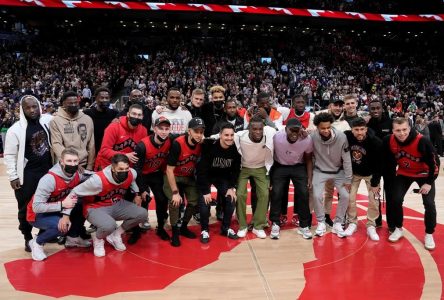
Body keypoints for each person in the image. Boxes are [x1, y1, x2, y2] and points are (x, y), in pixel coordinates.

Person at [67, 154, 147, 257]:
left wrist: (137, 194)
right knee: (109, 225)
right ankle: (98, 239)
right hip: (95, 206)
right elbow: (74, 192)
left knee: (142, 214)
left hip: (116, 203)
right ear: (113, 168)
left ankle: (116, 235)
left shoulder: (131, 173)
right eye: (120, 169)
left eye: (126, 168)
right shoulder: (97, 180)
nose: (124, 171)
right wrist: (66, 215)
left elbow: (132, 181)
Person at [4, 95, 53, 252]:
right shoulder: (14, 130)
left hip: (47, 171)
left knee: (47, 204)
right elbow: (10, 155)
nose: (32, 110)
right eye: (28, 107)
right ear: (22, 109)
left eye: (34, 106)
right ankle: (27, 237)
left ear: (39, 106)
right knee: (25, 207)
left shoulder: (47, 121)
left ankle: (43, 234)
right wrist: (13, 176)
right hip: (27, 174)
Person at [382, 117, 439, 250]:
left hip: (424, 174)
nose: (401, 133)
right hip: (404, 173)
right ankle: (398, 228)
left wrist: (429, 183)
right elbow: (387, 162)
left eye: (404, 130)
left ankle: (429, 234)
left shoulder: (422, 141)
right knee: (395, 199)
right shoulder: (388, 140)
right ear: (392, 130)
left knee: (429, 204)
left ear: (409, 128)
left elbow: (435, 165)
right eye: (398, 130)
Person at [26, 149, 91, 261]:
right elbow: (36, 207)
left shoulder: (77, 174)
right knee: (61, 227)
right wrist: (62, 205)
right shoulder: (49, 179)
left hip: (58, 209)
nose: (73, 164)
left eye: (75, 161)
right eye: (69, 161)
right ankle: (37, 242)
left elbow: (93, 176)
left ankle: (72, 238)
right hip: (36, 214)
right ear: (61, 161)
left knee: (82, 204)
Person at [196, 123, 241, 243]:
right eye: (226, 135)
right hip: (207, 176)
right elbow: (201, 170)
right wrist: (206, 191)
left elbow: (235, 170)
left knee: (231, 199)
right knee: (205, 202)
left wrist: (231, 187)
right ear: (220, 135)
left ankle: (225, 228)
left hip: (222, 178)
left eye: (232, 135)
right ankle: (204, 229)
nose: (229, 138)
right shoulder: (210, 146)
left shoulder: (234, 150)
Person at [269, 118, 313, 240]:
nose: (294, 134)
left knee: (304, 193)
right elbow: (270, 154)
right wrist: (270, 175)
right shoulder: (277, 137)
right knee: (276, 193)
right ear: (285, 129)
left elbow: (308, 158)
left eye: (297, 130)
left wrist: (309, 177)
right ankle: (275, 223)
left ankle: (304, 225)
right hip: (280, 166)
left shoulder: (306, 139)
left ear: (301, 130)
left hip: (298, 166)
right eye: (291, 130)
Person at [164, 117, 204, 247]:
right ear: (189, 131)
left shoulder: (201, 144)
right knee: (175, 201)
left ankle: (184, 227)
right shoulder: (178, 143)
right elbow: (169, 170)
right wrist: (175, 192)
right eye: (196, 131)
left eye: (201, 132)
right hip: (173, 175)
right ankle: (175, 231)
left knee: (194, 201)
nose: (199, 134)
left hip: (188, 176)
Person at [133, 117, 174, 242]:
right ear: (154, 129)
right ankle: (136, 230)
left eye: (166, 129)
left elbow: (186, 135)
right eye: (160, 128)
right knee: (142, 200)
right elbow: (137, 170)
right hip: (142, 175)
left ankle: (160, 228)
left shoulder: (171, 140)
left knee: (162, 199)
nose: (163, 131)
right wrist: (141, 189)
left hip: (156, 174)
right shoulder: (142, 146)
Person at [311, 112, 352, 238]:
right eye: (323, 128)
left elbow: (346, 159)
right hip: (320, 171)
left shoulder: (341, 137)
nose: (326, 130)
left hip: (338, 171)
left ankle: (338, 223)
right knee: (317, 195)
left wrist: (349, 178)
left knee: (345, 196)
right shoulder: (312, 137)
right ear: (317, 127)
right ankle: (321, 222)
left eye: (328, 127)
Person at [235, 115, 276, 238]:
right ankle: (242, 225)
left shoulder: (269, 135)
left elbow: (283, 130)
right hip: (244, 168)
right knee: (240, 194)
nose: (258, 132)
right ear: (249, 129)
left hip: (261, 168)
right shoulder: (240, 136)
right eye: (254, 129)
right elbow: (222, 136)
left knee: (264, 194)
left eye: (260, 129)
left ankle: (258, 226)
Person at [343, 118, 383, 240]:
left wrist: (375, 183)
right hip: (354, 174)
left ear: (366, 129)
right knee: (350, 198)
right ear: (352, 130)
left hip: (371, 174)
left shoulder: (375, 142)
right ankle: (352, 223)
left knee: (374, 199)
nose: (359, 132)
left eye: (362, 129)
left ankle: (371, 224)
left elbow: (379, 165)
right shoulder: (347, 136)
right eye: (356, 130)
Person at [50, 91, 95, 170]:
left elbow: (91, 144)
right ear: (63, 104)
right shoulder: (55, 121)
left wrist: (90, 165)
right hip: (64, 164)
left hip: (83, 163)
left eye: (76, 102)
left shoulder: (87, 119)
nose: (74, 105)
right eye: (70, 103)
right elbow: (57, 144)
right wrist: (72, 163)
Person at [94, 104, 147, 170]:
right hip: (107, 165)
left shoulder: (143, 131)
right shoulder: (113, 127)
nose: (136, 117)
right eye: (134, 114)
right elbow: (104, 150)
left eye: (139, 115)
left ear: (142, 117)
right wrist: (125, 156)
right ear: (128, 114)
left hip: (126, 167)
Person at [83, 87, 119, 156]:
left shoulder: (115, 113)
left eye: (107, 98)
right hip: (92, 151)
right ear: (96, 99)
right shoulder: (87, 113)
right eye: (101, 98)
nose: (104, 100)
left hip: (109, 150)